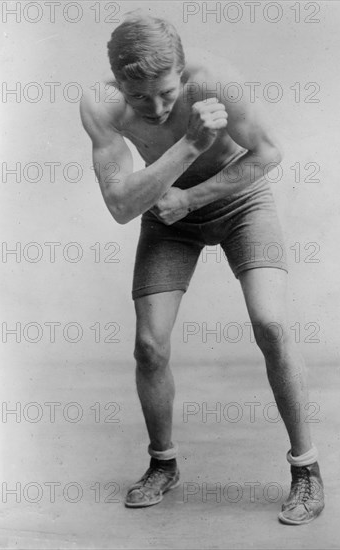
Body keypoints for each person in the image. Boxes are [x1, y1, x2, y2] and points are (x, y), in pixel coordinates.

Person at [79, 10, 324, 525]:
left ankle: (306, 470)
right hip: (167, 214)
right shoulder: (100, 105)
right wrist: (190, 144)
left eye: (167, 93)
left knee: (273, 326)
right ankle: (162, 463)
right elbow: (122, 207)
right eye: (138, 95)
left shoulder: (216, 81)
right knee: (149, 345)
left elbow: (269, 152)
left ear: (184, 73)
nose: (156, 107)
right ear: (118, 80)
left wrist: (193, 197)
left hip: (239, 201)